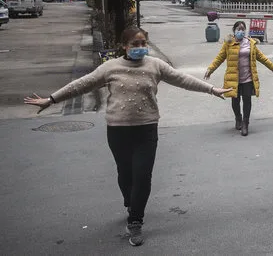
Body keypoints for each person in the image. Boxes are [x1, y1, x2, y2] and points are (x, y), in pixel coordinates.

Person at [24, 27, 230, 247]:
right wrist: (52, 99)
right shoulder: (110, 67)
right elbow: (81, 84)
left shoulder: (155, 65)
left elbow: (182, 79)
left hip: (146, 129)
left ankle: (135, 220)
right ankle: (130, 202)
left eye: (144, 43)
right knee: (125, 175)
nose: (140, 48)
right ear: (125, 46)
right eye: (135, 44)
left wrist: (211, 89)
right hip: (118, 131)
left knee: (143, 176)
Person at [204, 20, 273, 136]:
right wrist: (210, 69)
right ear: (234, 31)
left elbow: (261, 57)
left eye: (243, 29)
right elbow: (219, 58)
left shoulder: (251, 43)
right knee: (235, 101)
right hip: (233, 78)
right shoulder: (228, 43)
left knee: (247, 101)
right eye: (238, 29)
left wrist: (272, 67)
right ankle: (238, 118)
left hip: (248, 78)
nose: (241, 31)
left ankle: (245, 124)